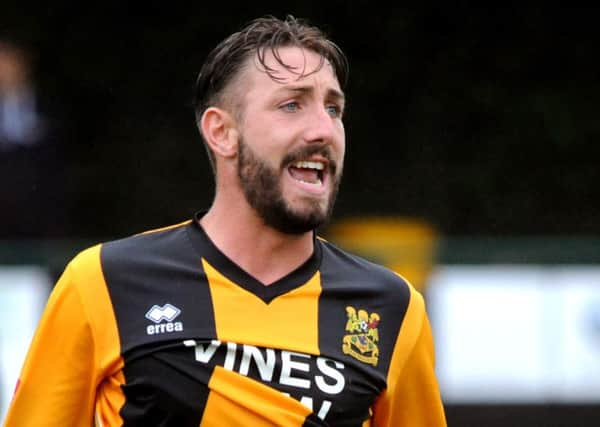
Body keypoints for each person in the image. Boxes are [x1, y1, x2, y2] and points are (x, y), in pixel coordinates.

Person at [4, 16, 446, 426]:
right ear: (221, 132)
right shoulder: (102, 282)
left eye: (334, 109)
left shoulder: (392, 308)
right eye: (292, 105)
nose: (323, 130)